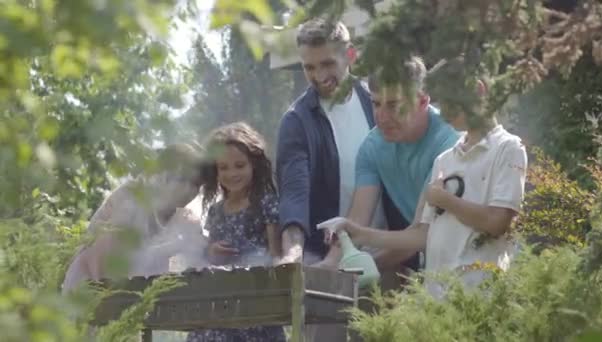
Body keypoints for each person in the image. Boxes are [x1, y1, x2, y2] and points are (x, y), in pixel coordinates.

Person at [323, 59, 528, 298]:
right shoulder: (445, 159)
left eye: (450, 101)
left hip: (484, 294)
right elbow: (421, 234)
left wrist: (445, 200)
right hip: (438, 298)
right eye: (376, 104)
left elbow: (497, 222)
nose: (445, 112)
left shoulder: (504, 147)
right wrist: (359, 235)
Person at [318, 56, 460, 272]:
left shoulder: (450, 142)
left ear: (422, 101)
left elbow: (422, 235)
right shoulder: (372, 146)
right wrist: (329, 266)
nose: (382, 117)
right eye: (376, 104)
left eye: (393, 105)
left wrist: (358, 270)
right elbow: (358, 219)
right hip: (436, 260)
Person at [275, 18, 388, 267]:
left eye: (327, 64)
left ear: (350, 55)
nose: (320, 76)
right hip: (331, 264)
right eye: (309, 68)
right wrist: (292, 253)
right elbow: (294, 196)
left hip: (392, 256)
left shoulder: (378, 103)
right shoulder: (297, 122)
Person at [61, 143, 206, 294]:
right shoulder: (130, 201)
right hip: (90, 291)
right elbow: (119, 259)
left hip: (131, 296)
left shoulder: (180, 215)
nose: (190, 191)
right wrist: (174, 247)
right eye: (183, 180)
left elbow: (197, 259)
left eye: (196, 184)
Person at [186, 122, 285, 342]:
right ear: (215, 171)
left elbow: (275, 254)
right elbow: (210, 258)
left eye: (240, 165)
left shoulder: (266, 203)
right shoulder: (215, 211)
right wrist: (212, 251)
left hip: (255, 300)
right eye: (224, 167)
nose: (232, 173)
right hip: (221, 301)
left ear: (254, 165)